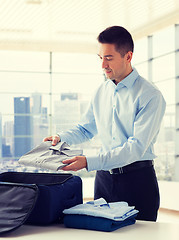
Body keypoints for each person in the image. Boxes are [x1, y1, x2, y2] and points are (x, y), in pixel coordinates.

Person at [44, 26, 166, 221]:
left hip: (137, 180)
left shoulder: (150, 96)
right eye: (100, 58)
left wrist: (88, 162)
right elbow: (86, 129)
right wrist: (61, 137)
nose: (103, 65)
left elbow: (136, 148)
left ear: (128, 56)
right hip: (104, 180)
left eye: (108, 58)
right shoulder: (101, 91)